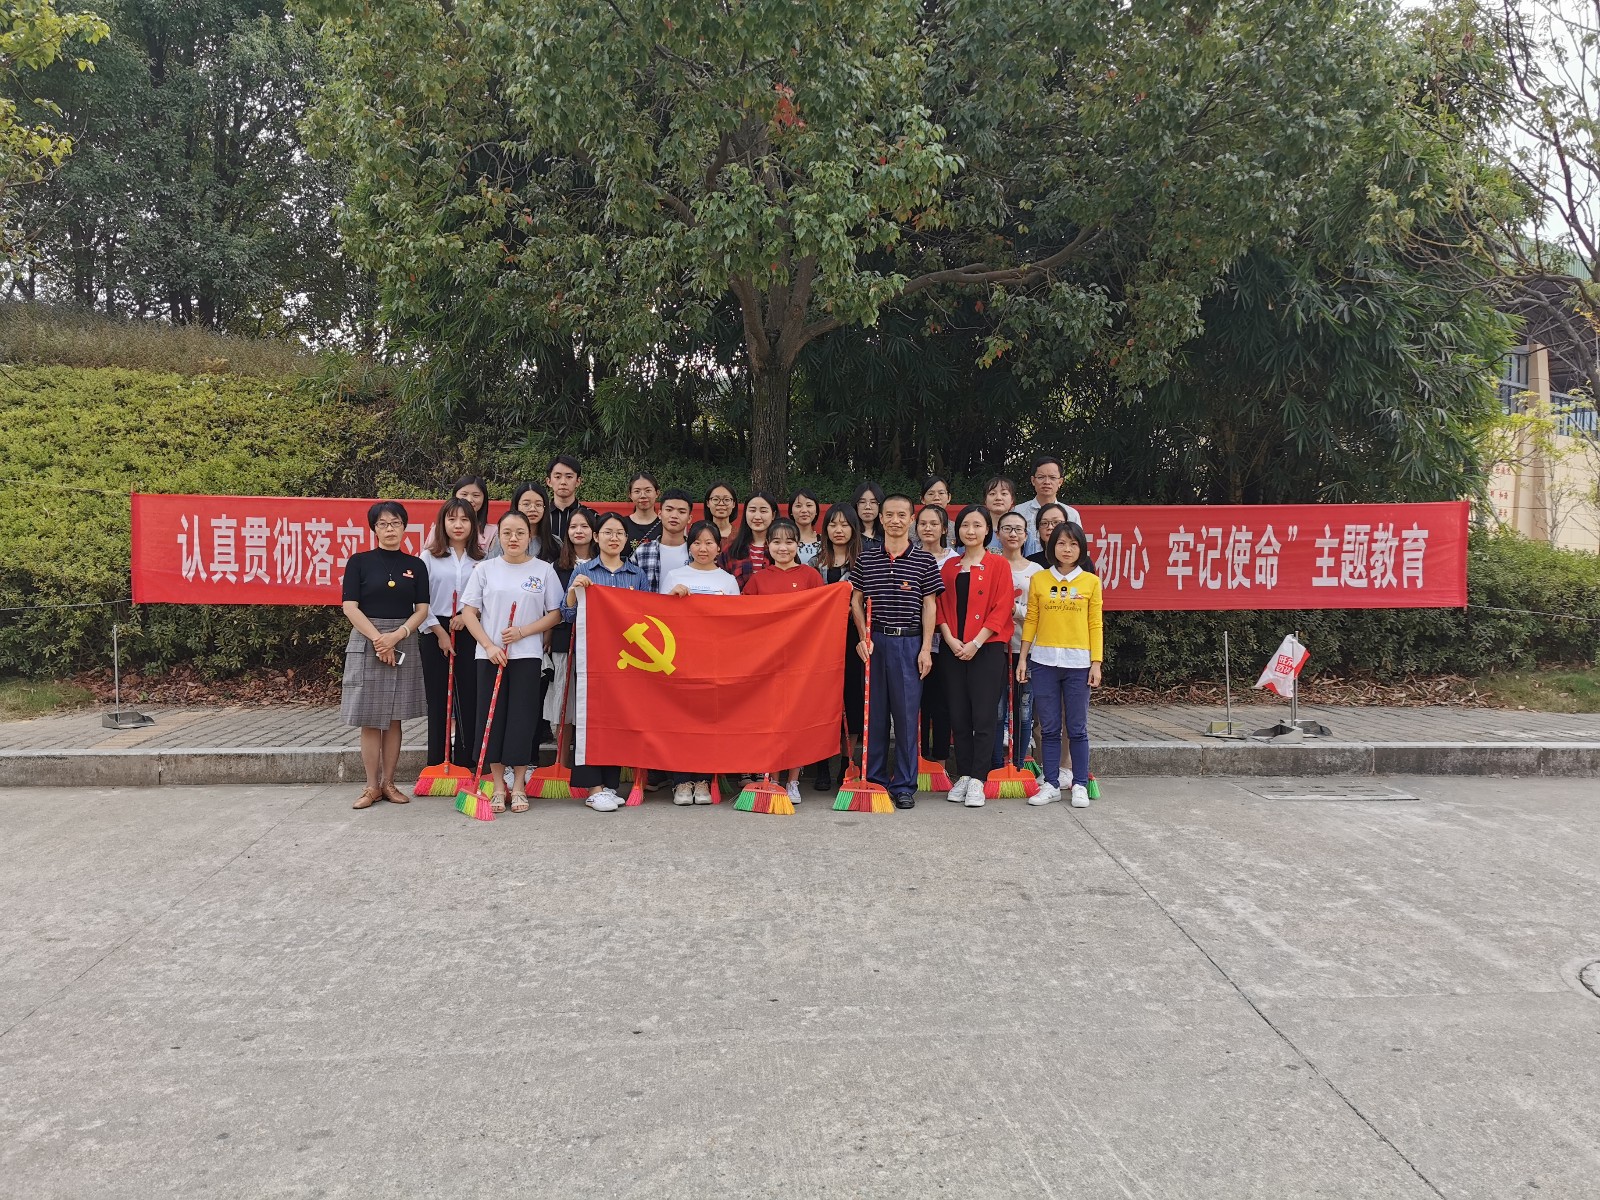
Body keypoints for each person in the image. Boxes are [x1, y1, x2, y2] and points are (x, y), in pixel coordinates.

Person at [461, 510, 563, 813]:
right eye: (507, 533)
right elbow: (469, 612)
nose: (513, 538)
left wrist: (523, 631)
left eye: (520, 532)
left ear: (529, 536)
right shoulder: (485, 569)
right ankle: (497, 785)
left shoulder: (543, 570)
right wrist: (489, 645)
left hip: (527, 655)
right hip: (490, 656)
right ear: (499, 537)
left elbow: (556, 613)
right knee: (491, 719)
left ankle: (518, 785)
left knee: (522, 719)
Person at [849, 494, 943, 809]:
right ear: (881, 518)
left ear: (911, 519)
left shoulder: (924, 561)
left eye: (902, 515)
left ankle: (904, 784)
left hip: (909, 643)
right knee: (874, 716)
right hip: (876, 642)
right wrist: (863, 636)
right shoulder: (866, 559)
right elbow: (855, 601)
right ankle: (875, 780)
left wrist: (926, 649)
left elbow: (930, 606)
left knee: (905, 717)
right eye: (889, 514)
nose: (895, 520)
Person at [340, 501, 431, 809]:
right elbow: (350, 606)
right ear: (374, 529)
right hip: (368, 639)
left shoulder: (416, 565)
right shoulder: (359, 562)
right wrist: (380, 640)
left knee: (394, 718)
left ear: (404, 527)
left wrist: (396, 636)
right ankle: (371, 787)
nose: (390, 529)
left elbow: (422, 610)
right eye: (383, 524)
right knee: (369, 718)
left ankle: (389, 783)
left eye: (395, 523)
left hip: (402, 638)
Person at [561, 511, 651, 811]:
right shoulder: (584, 570)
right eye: (608, 533)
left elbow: (648, 616)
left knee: (618, 718)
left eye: (619, 533)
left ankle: (610, 785)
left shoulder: (636, 575)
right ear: (596, 537)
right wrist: (575, 591)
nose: (614, 538)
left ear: (626, 539)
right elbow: (567, 615)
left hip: (626, 661)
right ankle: (594, 787)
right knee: (590, 719)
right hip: (592, 660)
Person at [1018, 522, 1104, 808]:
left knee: (1077, 728)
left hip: (1079, 664)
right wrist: (1023, 657)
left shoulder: (1090, 582)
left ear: (1081, 549)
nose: (1067, 549)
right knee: (1050, 728)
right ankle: (1051, 783)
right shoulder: (1040, 579)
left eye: (1073, 544)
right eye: (1061, 543)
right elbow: (1032, 619)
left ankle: (1079, 784)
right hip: (1043, 662)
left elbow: (1095, 624)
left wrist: (1096, 663)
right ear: (1052, 546)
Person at [936, 506, 1014, 806]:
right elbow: (939, 606)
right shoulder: (950, 566)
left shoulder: (998, 565)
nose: (970, 530)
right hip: (953, 648)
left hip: (986, 648)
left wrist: (976, 642)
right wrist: (950, 639)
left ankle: (980, 778)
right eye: (965, 525)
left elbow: (1002, 606)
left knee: (983, 715)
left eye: (977, 525)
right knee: (958, 714)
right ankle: (965, 774)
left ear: (987, 530)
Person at [662, 520, 741, 805]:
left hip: (715, 662)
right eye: (697, 542)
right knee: (681, 720)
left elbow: (736, 624)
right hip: (680, 661)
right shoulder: (674, 576)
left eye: (709, 543)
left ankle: (704, 778)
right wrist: (672, 599)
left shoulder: (727, 581)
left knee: (710, 721)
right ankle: (681, 780)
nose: (703, 548)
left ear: (719, 548)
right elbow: (659, 619)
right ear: (689, 546)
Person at [419, 498, 482, 771]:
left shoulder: (481, 560)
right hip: (434, 629)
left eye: (465, 519)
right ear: (442, 523)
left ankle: (465, 763)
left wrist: (467, 617)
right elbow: (419, 601)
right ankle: (437, 763)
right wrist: (440, 632)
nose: (458, 525)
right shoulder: (428, 557)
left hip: (469, 629)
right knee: (438, 699)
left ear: (473, 524)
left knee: (468, 695)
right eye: (452, 519)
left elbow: (486, 598)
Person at [814, 503, 863, 792]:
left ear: (854, 529)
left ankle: (847, 762)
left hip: (853, 639)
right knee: (822, 700)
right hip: (821, 640)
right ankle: (821, 763)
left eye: (845, 524)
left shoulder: (864, 563)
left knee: (852, 700)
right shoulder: (815, 563)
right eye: (833, 524)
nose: (839, 530)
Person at [545, 506, 599, 769]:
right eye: (573, 527)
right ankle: (562, 764)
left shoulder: (604, 563)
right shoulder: (557, 566)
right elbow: (552, 606)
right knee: (565, 706)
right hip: (565, 640)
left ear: (594, 532)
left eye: (584, 526)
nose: (579, 531)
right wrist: (548, 635)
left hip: (598, 644)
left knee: (591, 706)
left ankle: (587, 764)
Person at [992, 509, 1041, 772]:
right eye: (1007, 529)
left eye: (1018, 529)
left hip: (1026, 649)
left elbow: (1040, 611)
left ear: (1026, 535)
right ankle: (995, 767)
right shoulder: (990, 564)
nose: (1012, 534)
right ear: (997, 534)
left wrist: (1014, 610)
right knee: (997, 710)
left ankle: (1019, 766)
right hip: (994, 648)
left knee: (1023, 711)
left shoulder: (1037, 571)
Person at [916, 503, 958, 772]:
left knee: (942, 706)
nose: (928, 528)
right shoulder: (909, 557)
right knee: (918, 705)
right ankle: (918, 761)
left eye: (934, 523)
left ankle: (940, 764)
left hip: (947, 644)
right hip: (916, 642)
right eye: (923, 523)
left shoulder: (955, 561)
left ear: (944, 529)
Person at [1014, 456, 1082, 554]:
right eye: (1041, 477)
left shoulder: (1071, 514)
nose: (1046, 482)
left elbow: (1078, 545)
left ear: (1060, 482)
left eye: (1052, 477)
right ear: (1033, 480)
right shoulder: (1018, 512)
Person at [632, 487, 694, 592]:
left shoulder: (696, 552)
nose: (674, 516)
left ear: (689, 518)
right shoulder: (642, 551)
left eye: (681, 512)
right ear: (660, 514)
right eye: (669, 510)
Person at [718, 491, 777, 591]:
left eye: (763, 511)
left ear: (773, 515)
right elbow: (718, 583)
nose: (757, 517)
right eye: (752, 510)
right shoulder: (731, 550)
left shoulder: (783, 550)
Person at [490, 482, 556, 563]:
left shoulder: (555, 543)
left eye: (538, 504)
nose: (532, 509)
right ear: (516, 505)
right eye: (526, 504)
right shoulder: (502, 540)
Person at [450, 474, 495, 555]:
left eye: (476, 495)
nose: (469, 500)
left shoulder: (494, 533)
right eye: (464, 494)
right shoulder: (439, 530)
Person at [545, 455, 584, 546]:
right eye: (558, 477)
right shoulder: (541, 515)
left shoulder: (591, 516)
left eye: (569, 477)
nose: (563, 482)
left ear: (578, 481)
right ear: (549, 481)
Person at [622, 472, 663, 553]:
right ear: (630, 495)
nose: (643, 495)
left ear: (657, 493)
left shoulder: (666, 525)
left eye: (648, 490)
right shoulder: (621, 525)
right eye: (637, 491)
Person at [1025, 503, 1070, 568]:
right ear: (1038, 528)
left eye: (1056, 522)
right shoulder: (1030, 563)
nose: (1050, 527)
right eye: (1044, 523)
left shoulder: (1080, 562)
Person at [789, 487, 823, 566]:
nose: (804, 510)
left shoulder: (825, 542)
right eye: (798, 506)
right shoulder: (783, 541)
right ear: (791, 511)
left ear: (816, 511)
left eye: (809, 505)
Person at [983, 476, 1017, 551]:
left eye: (1004, 493)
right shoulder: (977, 531)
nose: (998, 498)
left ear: (1012, 499)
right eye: (992, 494)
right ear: (985, 500)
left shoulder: (1022, 532)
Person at [921, 474, 952, 544]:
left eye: (941, 493)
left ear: (949, 497)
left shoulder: (956, 528)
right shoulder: (910, 529)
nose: (936, 498)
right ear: (922, 499)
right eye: (931, 494)